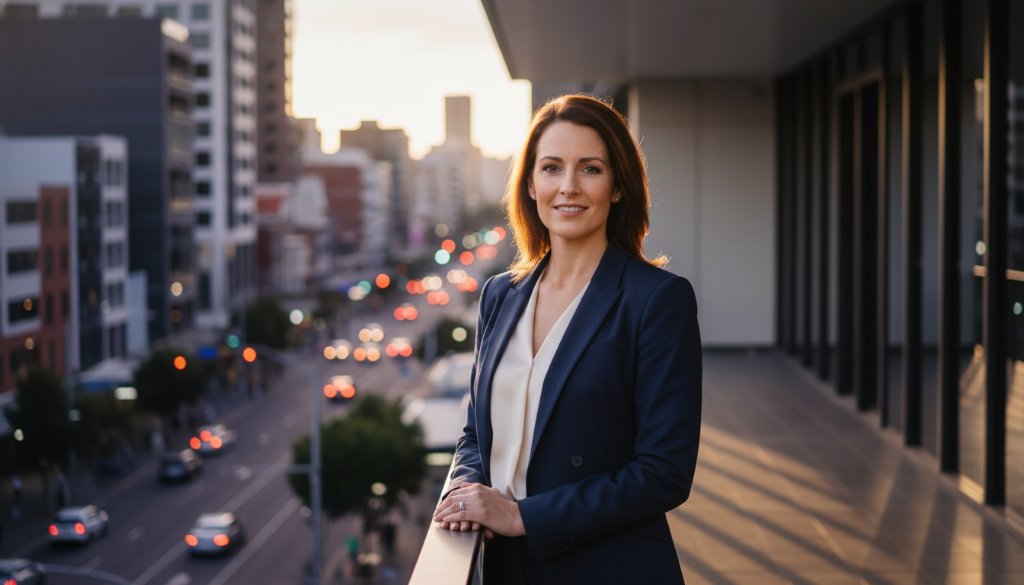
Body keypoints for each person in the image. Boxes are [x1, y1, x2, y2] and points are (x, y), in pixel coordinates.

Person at [432, 94, 702, 584]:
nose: (568, 188)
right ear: (531, 185)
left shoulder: (658, 300)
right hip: (503, 569)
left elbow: (665, 472)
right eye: (552, 168)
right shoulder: (500, 295)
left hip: (608, 567)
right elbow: (476, 432)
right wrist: (465, 491)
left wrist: (524, 516)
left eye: (591, 169)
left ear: (618, 186)